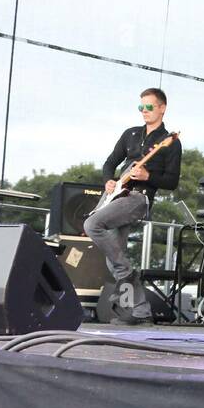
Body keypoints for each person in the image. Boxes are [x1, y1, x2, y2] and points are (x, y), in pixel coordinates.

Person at [84, 88, 182, 325]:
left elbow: (172, 181)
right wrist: (108, 179)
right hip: (116, 195)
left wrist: (148, 176)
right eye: (141, 107)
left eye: (149, 107)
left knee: (92, 224)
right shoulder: (130, 134)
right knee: (112, 257)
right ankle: (140, 311)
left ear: (162, 108)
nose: (144, 112)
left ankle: (127, 273)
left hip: (139, 198)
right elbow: (109, 163)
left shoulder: (169, 142)